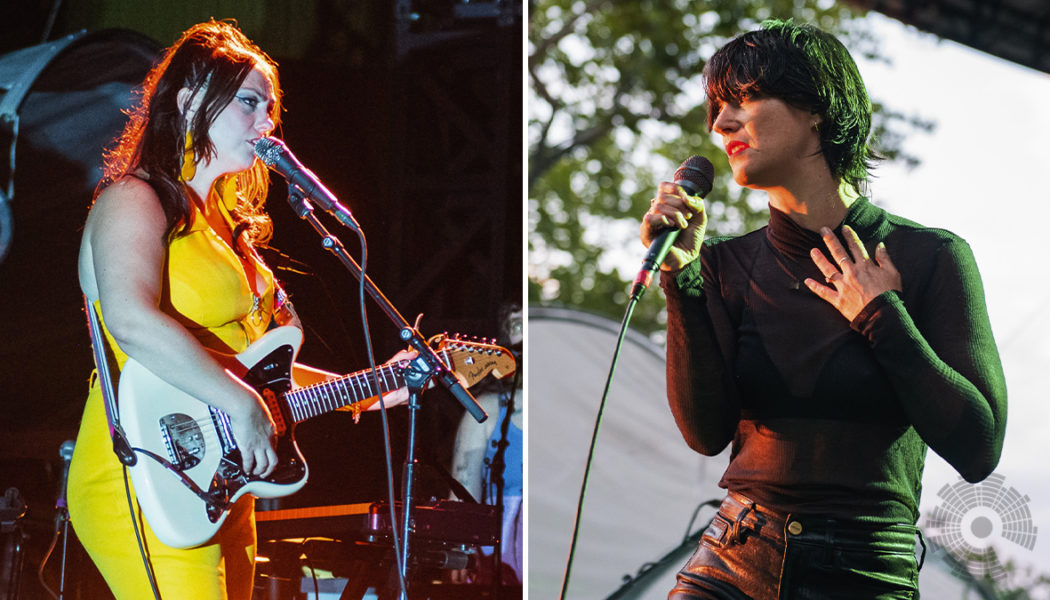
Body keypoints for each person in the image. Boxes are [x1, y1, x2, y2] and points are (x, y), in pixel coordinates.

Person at [640, 20, 1006, 599]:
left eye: (744, 98)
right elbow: (705, 434)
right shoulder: (720, 265)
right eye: (716, 108)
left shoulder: (931, 257)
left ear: (816, 109)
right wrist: (678, 282)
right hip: (734, 557)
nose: (720, 123)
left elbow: (980, 450)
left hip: (866, 570)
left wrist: (883, 315)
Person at [66, 21, 410, 599]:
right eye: (250, 102)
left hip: (223, 480)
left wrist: (370, 387)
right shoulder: (135, 198)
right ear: (190, 99)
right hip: (145, 468)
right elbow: (130, 320)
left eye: (270, 108)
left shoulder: (231, 231)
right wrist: (242, 402)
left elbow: (246, 368)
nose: (267, 122)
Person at [449, 303, 523, 586]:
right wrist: (459, 546)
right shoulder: (486, 411)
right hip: (499, 547)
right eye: (516, 326)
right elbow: (464, 486)